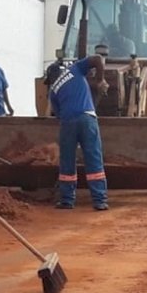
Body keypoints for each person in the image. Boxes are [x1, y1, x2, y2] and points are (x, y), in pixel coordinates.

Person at [49, 43, 109, 211]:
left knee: (67, 160)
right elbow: (98, 59)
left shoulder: (53, 91)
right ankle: (100, 200)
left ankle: (67, 200)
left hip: (68, 122)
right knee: (93, 158)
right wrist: (100, 80)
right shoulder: (74, 69)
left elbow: (57, 114)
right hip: (87, 118)